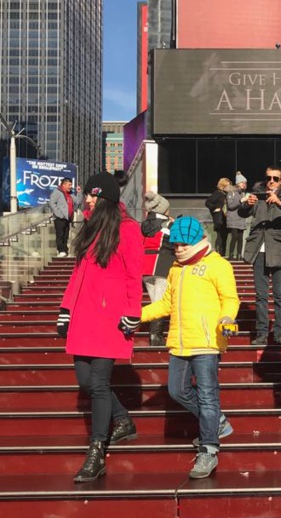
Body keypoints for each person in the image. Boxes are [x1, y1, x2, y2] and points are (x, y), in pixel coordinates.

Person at [56, 172, 143, 483]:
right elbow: (78, 274)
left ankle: (96, 452)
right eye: (87, 195)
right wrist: (66, 309)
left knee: (98, 383)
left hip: (111, 316)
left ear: (106, 197)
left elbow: (135, 274)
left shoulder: (129, 229)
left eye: (93, 195)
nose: (87, 200)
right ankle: (122, 420)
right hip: (84, 313)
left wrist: (133, 311)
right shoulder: (91, 227)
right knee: (85, 380)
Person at [140, 216, 240, 480]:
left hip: (207, 342)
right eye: (175, 245)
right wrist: (137, 315)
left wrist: (227, 319)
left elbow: (230, 298)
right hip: (180, 342)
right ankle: (217, 422)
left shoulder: (218, 265)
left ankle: (209, 448)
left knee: (208, 397)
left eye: (184, 244)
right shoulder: (175, 269)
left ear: (197, 240)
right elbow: (165, 305)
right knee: (177, 390)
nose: (179, 249)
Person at [238, 166, 281, 346]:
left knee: (280, 295)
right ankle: (262, 333)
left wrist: (279, 202)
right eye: (268, 178)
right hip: (259, 250)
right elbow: (242, 212)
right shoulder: (258, 194)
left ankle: (279, 333)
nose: (271, 181)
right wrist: (246, 203)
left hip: (280, 250)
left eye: (275, 178)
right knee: (261, 295)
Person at [141, 190, 174, 346]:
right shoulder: (167, 224)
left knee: (155, 300)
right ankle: (156, 336)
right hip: (162, 264)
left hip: (146, 266)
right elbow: (175, 245)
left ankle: (155, 335)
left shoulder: (144, 224)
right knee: (160, 302)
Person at [49, 177, 81, 257]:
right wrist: (59, 214)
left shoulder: (70, 194)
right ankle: (61, 250)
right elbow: (52, 203)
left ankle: (65, 251)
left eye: (71, 185)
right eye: (69, 185)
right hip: (60, 218)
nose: (71, 187)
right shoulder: (57, 192)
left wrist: (79, 192)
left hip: (68, 218)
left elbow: (78, 201)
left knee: (66, 235)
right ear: (64, 184)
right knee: (60, 234)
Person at [204, 177, 231, 255]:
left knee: (224, 236)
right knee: (220, 235)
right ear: (222, 186)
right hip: (219, 218)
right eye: (227, 186)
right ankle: (218, 253)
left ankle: (223, 254)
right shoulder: (217, 193)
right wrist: (214, 208)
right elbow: (208, 202)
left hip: (225, 218)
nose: (229, 188)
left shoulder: (226, 194)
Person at [225, 173, 248, 260]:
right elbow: (230, 206)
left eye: (245, 183)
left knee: (240, 238)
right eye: (242, 183)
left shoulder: (243, 193)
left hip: (241, 218)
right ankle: (231, 255)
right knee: (234, 237)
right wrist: (241, 201)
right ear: (238, 183)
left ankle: (239, 255)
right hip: (233, 219)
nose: (244, 184)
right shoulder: (231, 192)